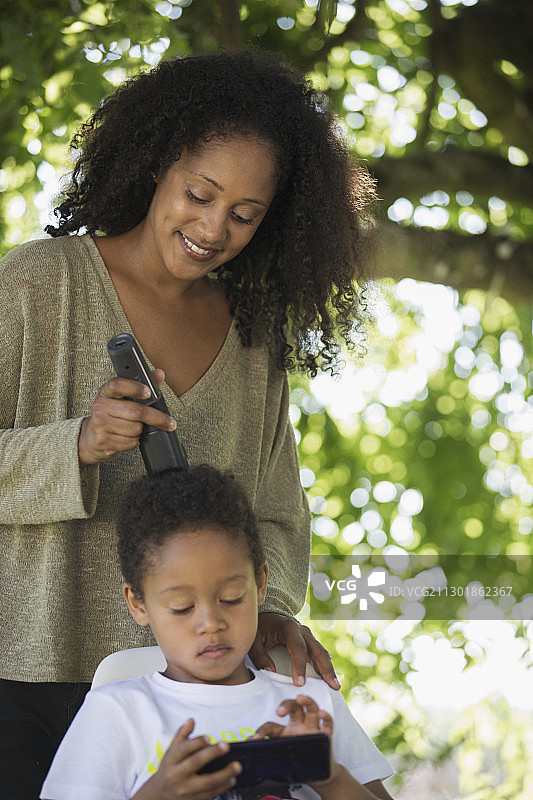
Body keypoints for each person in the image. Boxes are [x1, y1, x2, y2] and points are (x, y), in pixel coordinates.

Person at [0, 49, 376, 797]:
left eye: (244, 213)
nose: (213, 227)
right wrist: (72, 442)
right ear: (156, 165)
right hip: (17, 681)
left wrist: (265, 612)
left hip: (182, 698)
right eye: (198, 194)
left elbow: (275, 517)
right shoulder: (37, 282)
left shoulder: (253, 344)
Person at [40, 465, 394, 800]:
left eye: (231, 598)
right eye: (182, 606)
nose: (210, 622)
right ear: (138, 603)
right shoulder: (116, 712)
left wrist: (327, 774)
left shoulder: (311, 703)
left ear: (260, 585)